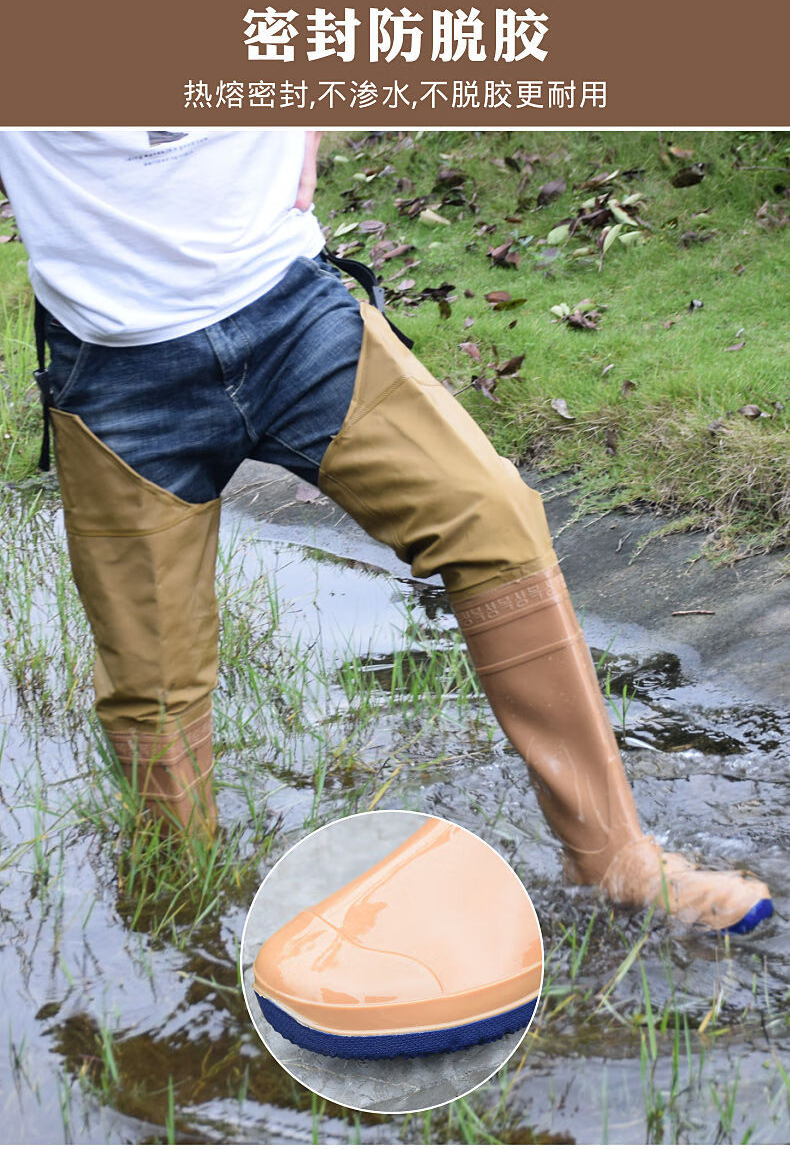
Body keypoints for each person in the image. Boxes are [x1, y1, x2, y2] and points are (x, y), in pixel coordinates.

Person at [0, 129, 772, 934]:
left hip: (294, 317)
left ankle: (615, 861)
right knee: (150, 674)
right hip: (117, 368)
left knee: (491, 517)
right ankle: (176, 922)